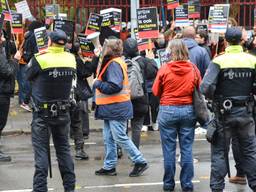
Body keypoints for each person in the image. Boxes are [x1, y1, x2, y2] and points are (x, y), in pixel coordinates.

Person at [200, 27, 256, 192]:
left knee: (220, 152)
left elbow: (205, 87)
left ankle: (217, 188)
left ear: (225, 41)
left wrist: (216, 96)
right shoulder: (252, 60)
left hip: (224, 114)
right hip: (246, 113)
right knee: (250, 152)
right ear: (241, 41)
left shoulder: (219, 61)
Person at [26, 29, 76, 192]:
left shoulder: (40, 59)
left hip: (42, 114)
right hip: (63, 113)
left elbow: (28, 74)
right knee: (64, 151)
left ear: (49, 42)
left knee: (41, 154)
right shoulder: (71, 59)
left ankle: (40, 189)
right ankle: (70, 188)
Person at [93, 37, 148, 177]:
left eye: (105, 47)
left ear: (110, 50)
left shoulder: (113, 64)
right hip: (112, 107)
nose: (103, 48)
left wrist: (97, 84)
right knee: (109, 138)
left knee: (119, 137)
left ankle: (140, 161)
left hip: (116, 107)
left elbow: (115, 86)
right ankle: (109, 166)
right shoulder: (114, 62)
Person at [152, 39, 200, 192]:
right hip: (188, 110)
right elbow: (201, 87)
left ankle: (168, 184)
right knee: (186, 148)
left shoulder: (165, 69)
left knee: (169, 150)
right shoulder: (193, 68)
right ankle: (187, 184)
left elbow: (155, 91)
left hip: (168, 110)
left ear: (170, 52)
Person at [123, 37, 157, 149]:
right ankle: (135, 152)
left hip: (123, 99)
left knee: (122, 127)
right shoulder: (144, 61)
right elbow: (153, 73)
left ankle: (119, 149)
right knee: (136, 128)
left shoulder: (121, 62)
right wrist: (151, 59)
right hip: (140, 99)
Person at [70, 42, 92, 160]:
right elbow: (85, 72)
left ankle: (63, 152)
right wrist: (88, 62)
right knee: (77, 121)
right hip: (75, 94)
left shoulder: (64, 58)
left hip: (63, 94)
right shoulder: (76, 60)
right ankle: (79, 149)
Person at [0, 31, 20, 162]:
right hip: (1, 92)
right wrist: (16, 60)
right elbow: (7, 71)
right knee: (1, 122)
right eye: (0, 36)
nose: (2, 38)